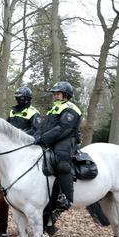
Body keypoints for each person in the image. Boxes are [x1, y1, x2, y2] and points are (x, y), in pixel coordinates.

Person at [34, 81, 82, 212]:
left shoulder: (71, 108)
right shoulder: (53, 108)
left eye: (58, 93)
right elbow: (44, 127)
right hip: (53, 139)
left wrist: (44, 139)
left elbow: (63, 128)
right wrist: (37, 136)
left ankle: (66, 197)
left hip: (67, 139)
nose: (55, 95)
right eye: (54, 93)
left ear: (66, 95)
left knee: (62, 163)